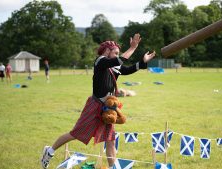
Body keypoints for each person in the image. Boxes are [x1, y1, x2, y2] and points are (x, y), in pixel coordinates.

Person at [40, 33, 156, 169]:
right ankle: (49, 151)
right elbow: (120, 61)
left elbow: (128, 69)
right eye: (116, 52)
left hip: (108, 108)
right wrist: (133, 48)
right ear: (107, 51)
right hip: (94, 106)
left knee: (110, 140)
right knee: (75, 134)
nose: (118, 55)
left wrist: (143, 62)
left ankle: (113, 167)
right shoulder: (100, 61)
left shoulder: (114, 66)